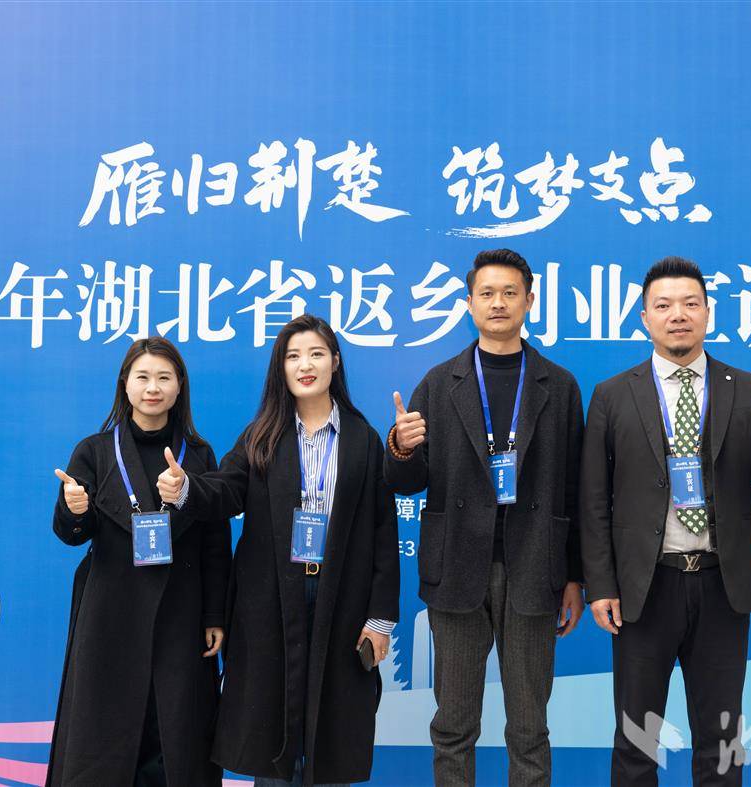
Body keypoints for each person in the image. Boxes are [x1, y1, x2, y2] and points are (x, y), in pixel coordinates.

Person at [580, 256, 751, 786]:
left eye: (690, 303)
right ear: (644, 318)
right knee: (636, 739)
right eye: (663, 305)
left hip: (722, 585)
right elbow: (593, 498)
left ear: (708, 312)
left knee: (720, 740)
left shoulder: (746, 388)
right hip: (644, 587)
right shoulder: (613, 394)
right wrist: (601, 585)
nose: (677, 314)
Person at [385, 248, 586, 786]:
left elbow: (575, 490)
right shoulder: (439, 382)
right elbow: (405, 481)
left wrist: (574, 576)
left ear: (530, 301)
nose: (498, 303)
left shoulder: (559, 385)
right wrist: (401, 447)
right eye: (487, 293)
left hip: (534, 570)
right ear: (469, 302)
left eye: (510, 293)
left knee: (530, 728)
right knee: (453, 725)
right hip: (456, 570)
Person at [173, 314, 400, 787]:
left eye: (316, 354)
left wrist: (380, 619)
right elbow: (225, 490)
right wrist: (185, 488)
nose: (305, 365)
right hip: (271, 602)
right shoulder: (262, 436)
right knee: (272, 732)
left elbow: (382, 531)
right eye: (293, 356)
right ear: (281, 368)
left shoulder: (362, 439)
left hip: (341, 600)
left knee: (332, 732)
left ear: (335, 362)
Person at [47, 336, 231, 787]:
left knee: (174, 736)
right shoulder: (94, 451)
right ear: (125, 384)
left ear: (179, 386)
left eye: (164, 377)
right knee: (105, 738)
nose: (153, 387)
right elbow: (72, 533)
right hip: (110, 613)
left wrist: (214, 615)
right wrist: (74, 509)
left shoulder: (199, 454)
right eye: (143, 377)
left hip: (181, 614)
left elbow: (214, 541)